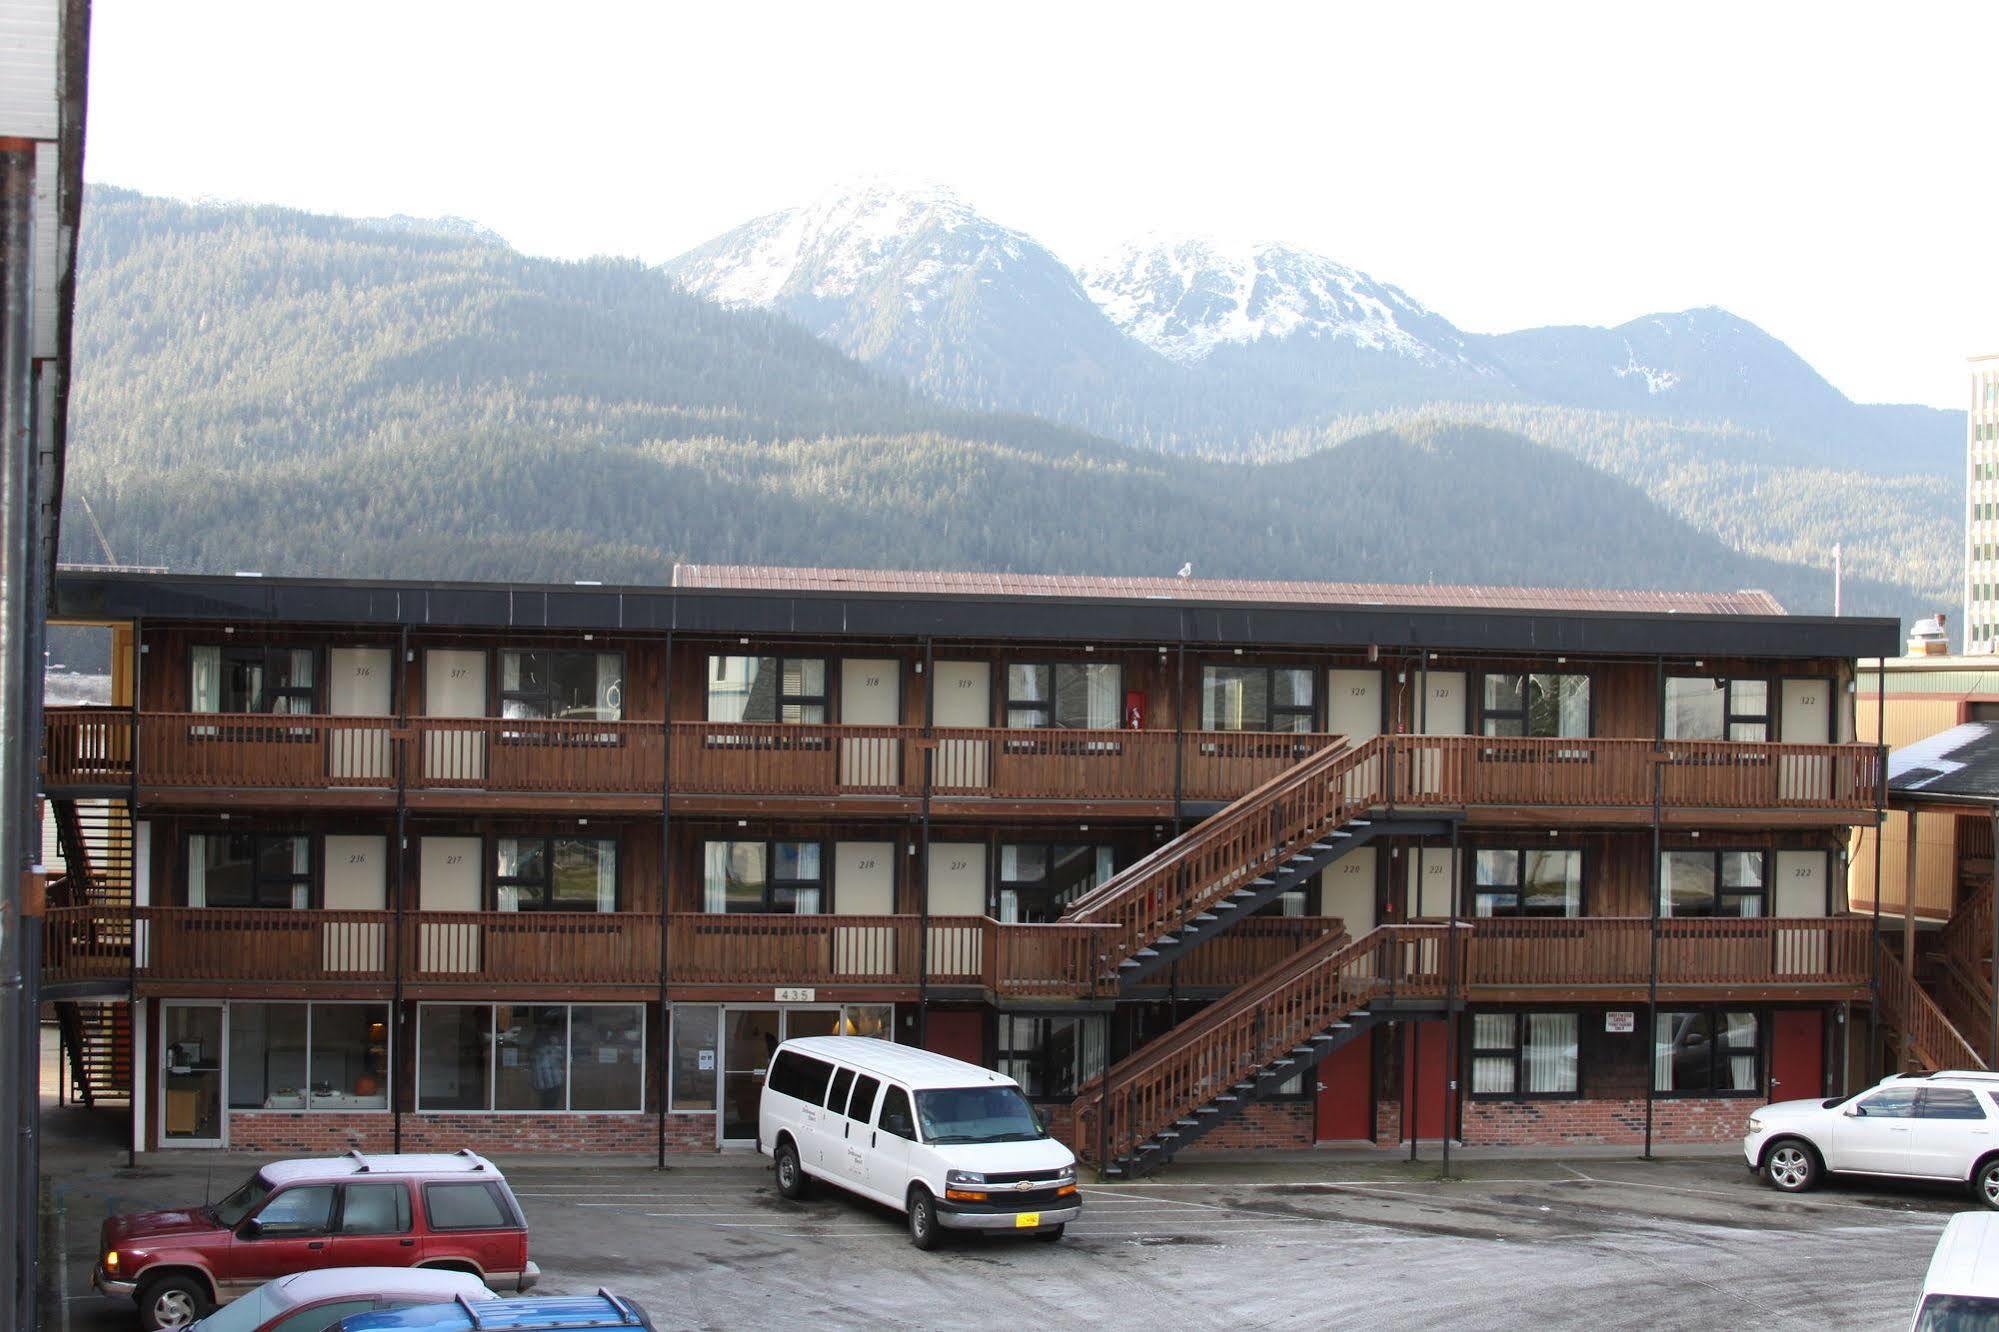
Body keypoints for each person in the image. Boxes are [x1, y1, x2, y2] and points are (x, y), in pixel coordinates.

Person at [530, 1027, 564, 1109]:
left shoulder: (539, 1051)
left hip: (545, 1084)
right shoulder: (550, 1050)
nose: (557, 1039)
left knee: (546, 1106)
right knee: (549, 1106)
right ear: (550, 1038)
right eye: (555, 1037)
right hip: (551, 1083)